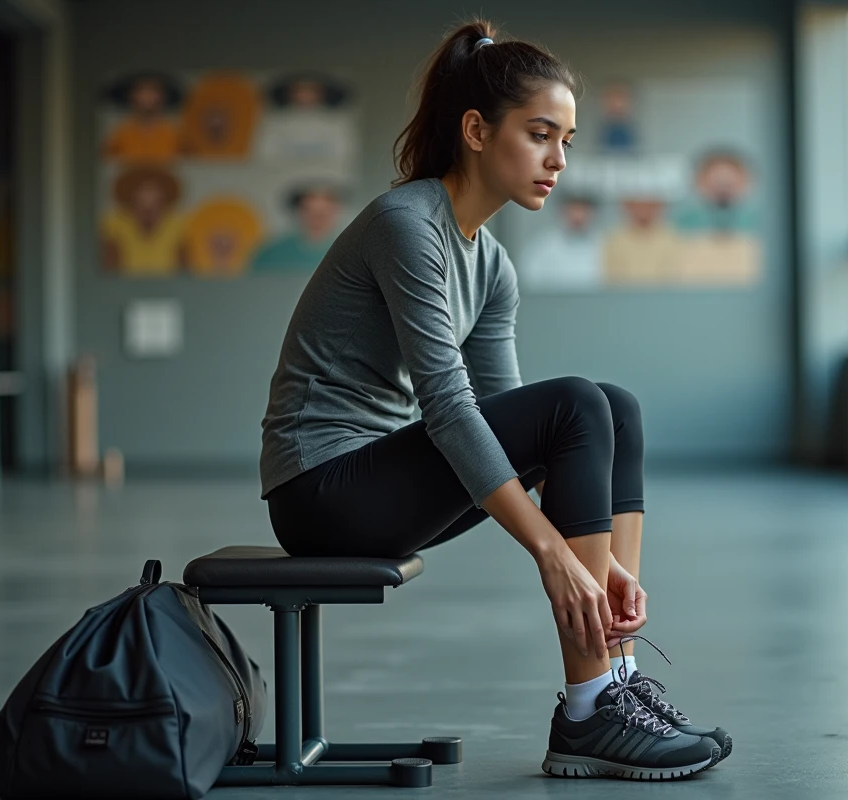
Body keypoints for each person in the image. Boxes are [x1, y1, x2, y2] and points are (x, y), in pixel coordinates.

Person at [259, 19, 732, 781]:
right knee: (580, 401)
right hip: (322, 489)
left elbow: (514, 420)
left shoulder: (493, 266)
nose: (558, 161)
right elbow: (450, 408)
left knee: (615, 406)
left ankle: (614, 675)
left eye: (568, 141)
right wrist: (551, 552)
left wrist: (602, 563)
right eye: (541, 134)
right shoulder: (406, 226)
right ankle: (590, 709)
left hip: (383, 482)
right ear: (477, 130)